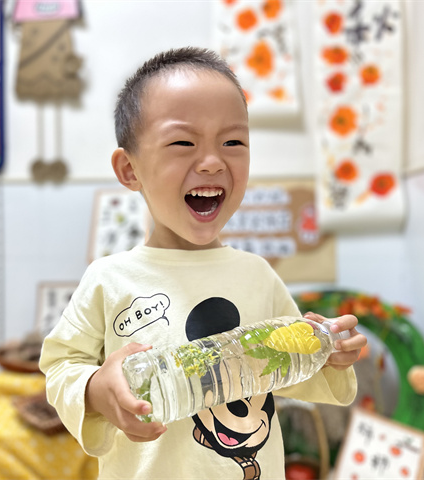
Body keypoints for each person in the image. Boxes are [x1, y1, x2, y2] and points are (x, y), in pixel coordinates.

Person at [40, 47, 367, 480]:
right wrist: (97, 390)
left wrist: (327, 355)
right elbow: (61, 366)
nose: (213, 162)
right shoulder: (109, 279)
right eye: (183, 143)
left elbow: (281, 369)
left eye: (233, 142)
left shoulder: (257, 274)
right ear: (130, 169)